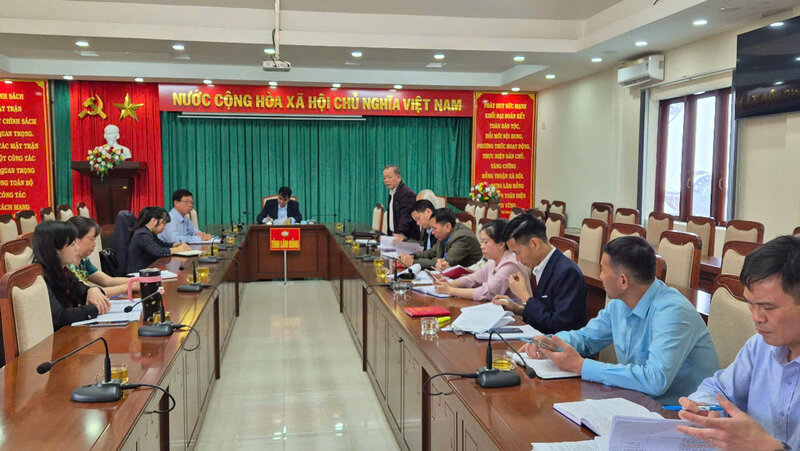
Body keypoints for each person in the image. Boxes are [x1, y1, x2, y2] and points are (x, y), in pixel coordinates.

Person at [521, 236, 719, 404]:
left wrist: (581, 366)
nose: (599, 276)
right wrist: (551, 342)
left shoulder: (672, 312)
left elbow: (655, 380)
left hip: (681, 413)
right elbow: (587, 338)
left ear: (623, 280)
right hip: (639, 402)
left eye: (603, 270)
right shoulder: (620, 303)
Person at [676, 235, 800, 450]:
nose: (756, 317)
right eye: (750, 304)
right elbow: (718, 389)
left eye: (768, 308)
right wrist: (704, 407)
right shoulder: (759, 346)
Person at [492, 214, 586, 333]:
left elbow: (560, 325)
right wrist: (518, 309)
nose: (517, 259)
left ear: (535, 244)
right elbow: (546, 311)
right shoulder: (542, 265)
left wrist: (524, 296)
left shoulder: (567, 272)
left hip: (558, 346)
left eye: (517, 252)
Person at [32, 221, 109, 330]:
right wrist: (95, 309)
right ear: (56, 249)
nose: (77, 248)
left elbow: (80, 290)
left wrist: (93, 290)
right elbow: (60, 316)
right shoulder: (39, 277)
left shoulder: (62, 269)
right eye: (72, 244)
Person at [434, 219, 531, 302]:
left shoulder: (511, 264)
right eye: (481, 242)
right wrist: (449, 284)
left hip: (516, 318)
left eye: (485, 242)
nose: (481, 246)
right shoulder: (493, 261)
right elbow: (472, 279)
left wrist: (450, 290)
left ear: (501, 244)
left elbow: (487, 292)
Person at [66, 216, 138, 298]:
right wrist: (129, 286)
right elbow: (89, 292)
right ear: (75, 238)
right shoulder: (66, 265)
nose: (94, 244)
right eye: (91, 239)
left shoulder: (83, 260)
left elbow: (107, 281)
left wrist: (138, 280)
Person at [398, 208, 482, 270]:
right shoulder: (445, 234)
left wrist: (413, 262)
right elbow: (431, 253)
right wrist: (413, 256)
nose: (433, 232)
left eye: (434, 228)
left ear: (447, 226)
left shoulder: (463, 237)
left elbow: (445, 263)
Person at [127, 207, 191, 273]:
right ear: (154, 220)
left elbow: (161, 244)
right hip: (139, 274)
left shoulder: (149, 232)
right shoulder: (142, 234)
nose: (164, 227)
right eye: (163, 223)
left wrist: (175, 244)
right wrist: (178, 249)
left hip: (148, 270)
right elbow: (157, 251)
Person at [383, 165, 420, 241]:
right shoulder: (393, 192)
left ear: (399, 178)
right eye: (384, 178)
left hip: (407, 239)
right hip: (395, 236)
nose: (386, 180)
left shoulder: (406, 193)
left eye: (389, 177)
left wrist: (401, 234)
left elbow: (405, 216)